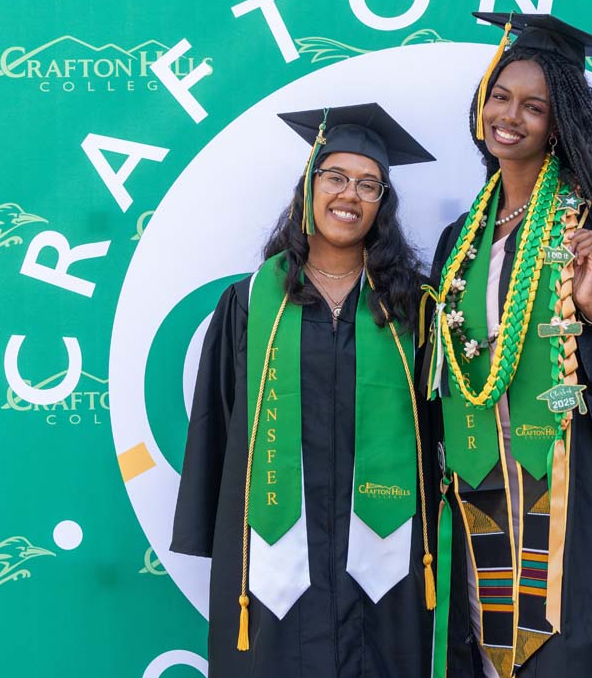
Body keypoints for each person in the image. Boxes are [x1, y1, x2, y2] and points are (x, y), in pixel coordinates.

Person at [425, 14, 592, 677]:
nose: (508, 115)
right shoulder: (461, 240)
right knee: (485, 648)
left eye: (533, 106)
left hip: (568, 494)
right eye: (499, 95)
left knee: (568, 651)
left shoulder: (591, 226)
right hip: (477, 488)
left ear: (562, 124)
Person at [171, 103, 438, 678]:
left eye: (370, 184)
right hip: (272, 557)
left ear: (383, 204)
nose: (350, 195)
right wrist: (209, 529)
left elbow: (438, 425)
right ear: (308, 188)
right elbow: (215, 426)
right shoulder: (249, 305)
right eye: (335, 177)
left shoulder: (413, 306)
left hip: (387, 557)